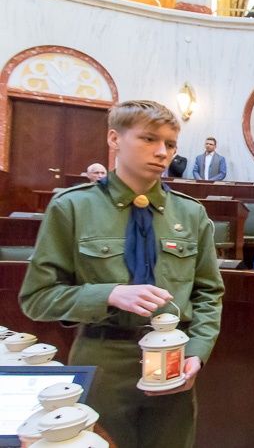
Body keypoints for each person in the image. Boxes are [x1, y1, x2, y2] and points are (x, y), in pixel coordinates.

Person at [19, 100, 224, 448]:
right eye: (149, 139)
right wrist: (108, 294)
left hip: (173, 359)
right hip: (103, 358)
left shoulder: (190, 214)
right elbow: (37, 298)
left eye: (170, 144)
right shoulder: (73, 207)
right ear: (114, 139)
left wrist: (197, 351)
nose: (162, 152)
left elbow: (208, 293)